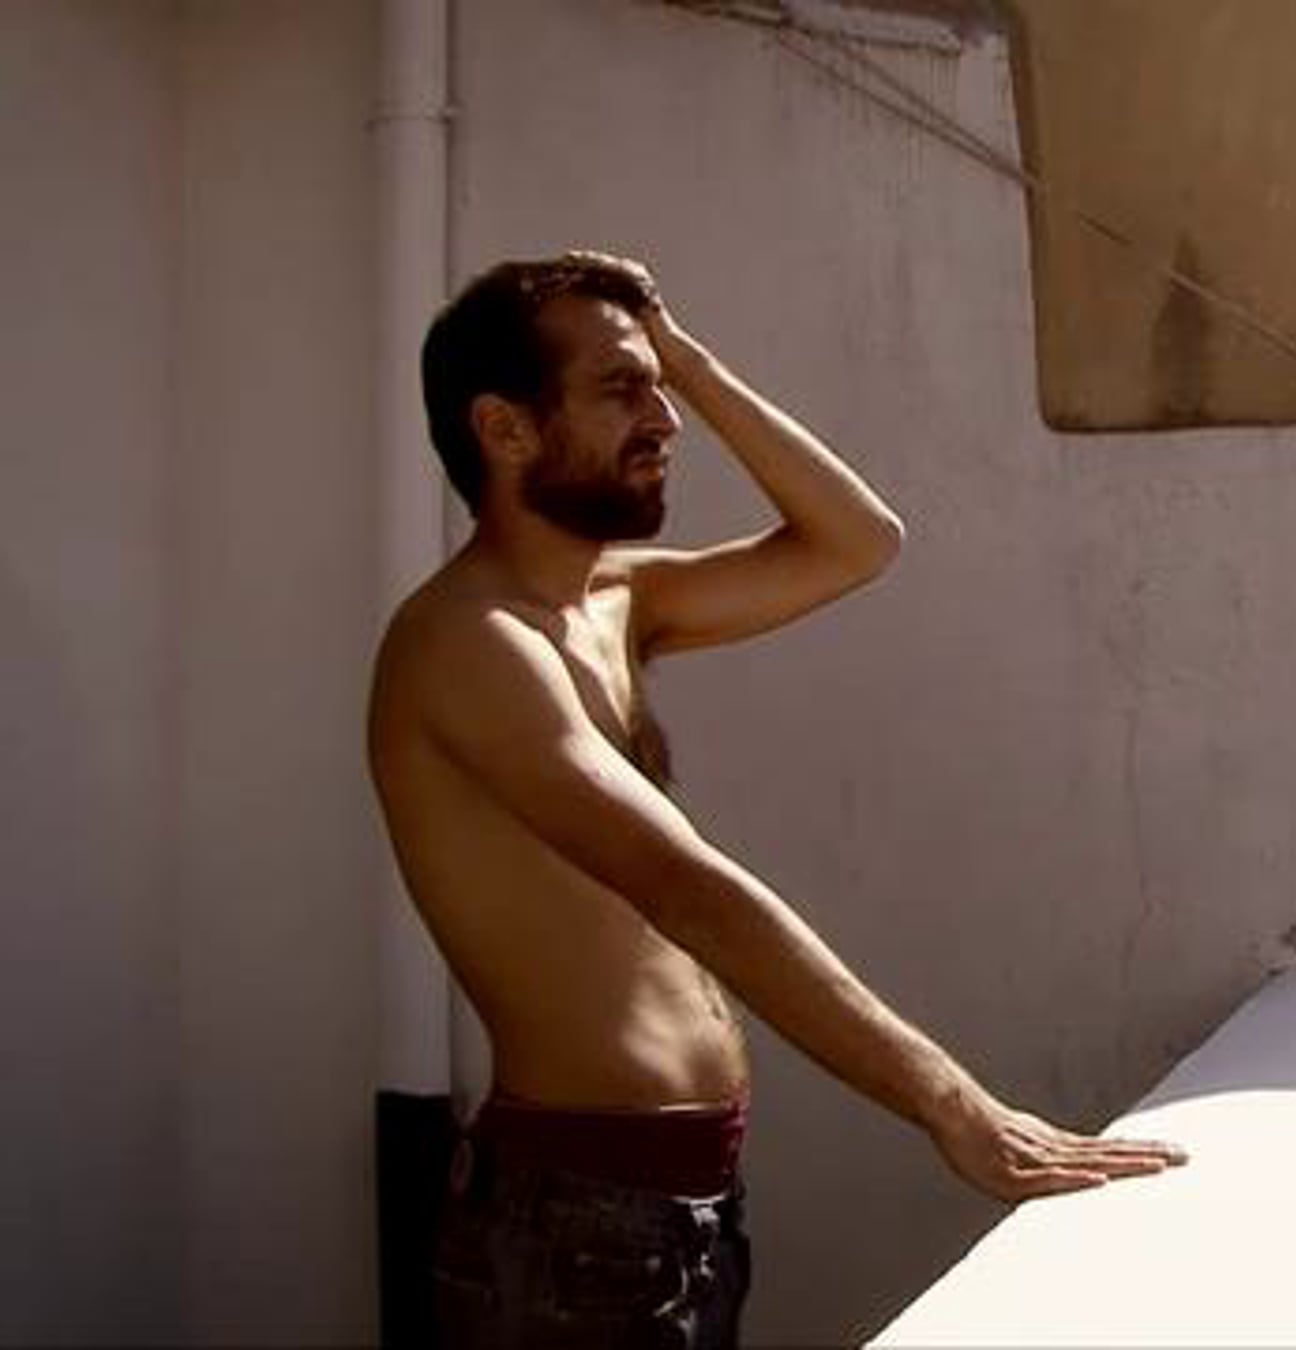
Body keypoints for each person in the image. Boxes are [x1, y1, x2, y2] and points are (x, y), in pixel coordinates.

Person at [368, 252, 1183, 1347]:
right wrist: (953, 1104)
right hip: (569, 1222)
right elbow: (685, 889)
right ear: (505, 429)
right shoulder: (469, 644)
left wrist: (686, 357)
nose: (665, 418)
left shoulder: (614, 602)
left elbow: (858, 541)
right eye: (622, 389)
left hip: (674, 1210)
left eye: (660, 387)